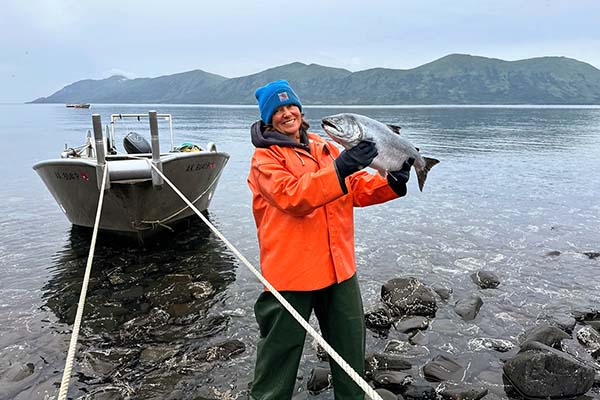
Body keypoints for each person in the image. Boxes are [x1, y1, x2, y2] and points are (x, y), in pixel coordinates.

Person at [247, 80, 413, 400]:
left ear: (300, 109)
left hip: (339, 269)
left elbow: (357, 188)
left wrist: (391, 182)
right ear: (268, 118)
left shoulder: (326, 147)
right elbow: (294, 197)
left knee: (350, 352)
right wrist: (341, 168)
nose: (286, 114)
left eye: (290, 106)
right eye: (277, 110)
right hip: (291, 274)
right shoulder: (265, 159)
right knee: (279, 355)